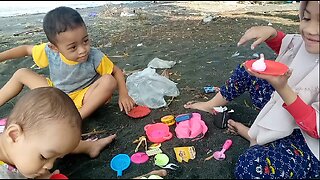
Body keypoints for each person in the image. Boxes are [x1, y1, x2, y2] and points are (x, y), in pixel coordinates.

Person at [226, 1, 318, 179]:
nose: (311, 30)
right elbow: (292, 48)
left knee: (252, 166)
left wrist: (283, 88)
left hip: (311, 143)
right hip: (288, 110)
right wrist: (272, 34)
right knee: (251, 69)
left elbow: (315, 127)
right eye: (307, 18)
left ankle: (254, 135)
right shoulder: (308, 41)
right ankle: (211, 104)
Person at [0, 6, 135, 120]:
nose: (83, 50)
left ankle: (77, 118)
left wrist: (123, 94)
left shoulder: (95, 56)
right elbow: (25, 49)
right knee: (21, 73)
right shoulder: (49, 51)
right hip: (57, 95)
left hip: (84, 98)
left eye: (85, 41)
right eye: (73, 47)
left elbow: (116, 71)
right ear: (55, 47)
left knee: (108, 81)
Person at [0, 87, 114, 179]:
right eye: (43, 157)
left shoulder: (17, 139)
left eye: (56, 159)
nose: (50, 166)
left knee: (56, 141)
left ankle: (88, 146)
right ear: (14, 135)